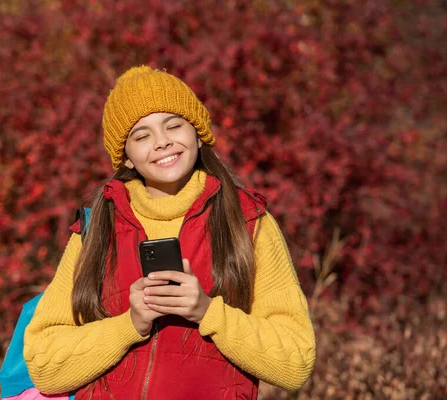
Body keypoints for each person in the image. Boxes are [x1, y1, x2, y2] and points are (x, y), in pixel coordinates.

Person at [23, 65, 316, 399]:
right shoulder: (97, 229)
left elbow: (296, 361)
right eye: (142, 135)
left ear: (197, 133)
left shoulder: (247, 222)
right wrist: (129, 325)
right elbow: (44, 367)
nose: (162, 142)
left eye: (173, 125)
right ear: (127, 158)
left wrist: (207, 311)